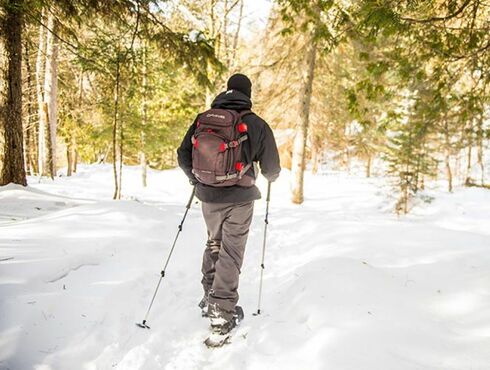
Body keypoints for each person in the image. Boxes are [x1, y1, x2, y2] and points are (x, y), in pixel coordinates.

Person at [177, 73, 281, 335]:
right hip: (241, 199)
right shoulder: (256, 124)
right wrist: (271, 176)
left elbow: (183, 154)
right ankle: (221, 312)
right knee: (231, 251)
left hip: (208, 196)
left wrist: (195, 179)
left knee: (214, 242)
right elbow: (272, 167)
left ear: (227, 90)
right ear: (248, 94)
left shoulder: (205, 119)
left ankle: (209, 297)